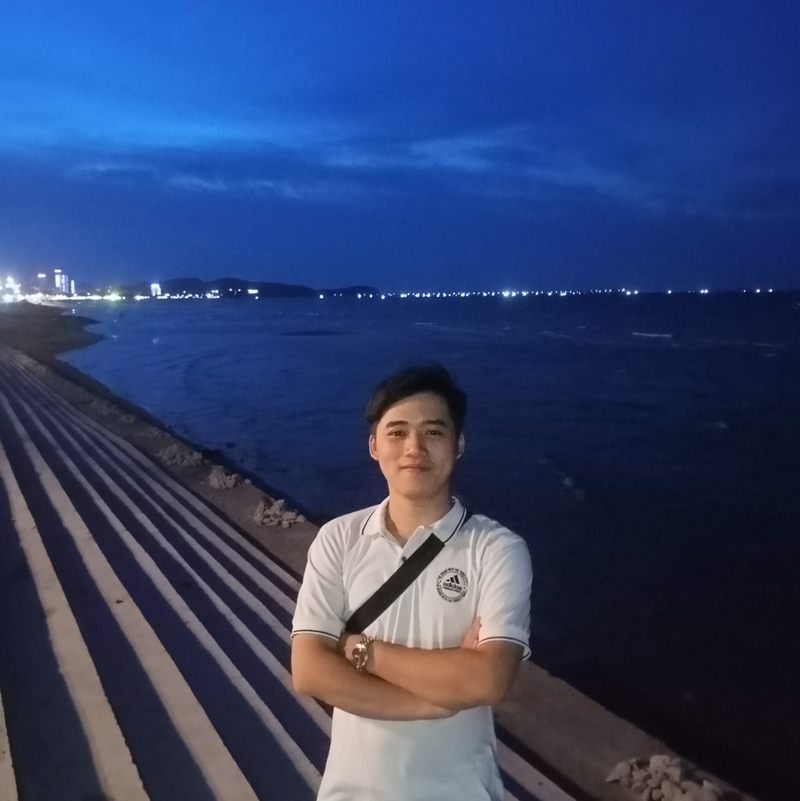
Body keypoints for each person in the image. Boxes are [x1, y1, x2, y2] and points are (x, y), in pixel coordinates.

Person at [291, 364, 532, 800]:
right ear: (374, 446)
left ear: (459, 445)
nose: (414, 447)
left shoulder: (496, 549)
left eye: (434, 432)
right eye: (397, 432)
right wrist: (435, 703)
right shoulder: (339, 538)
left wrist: (359, 651)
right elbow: (309, 671)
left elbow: (488, 681)